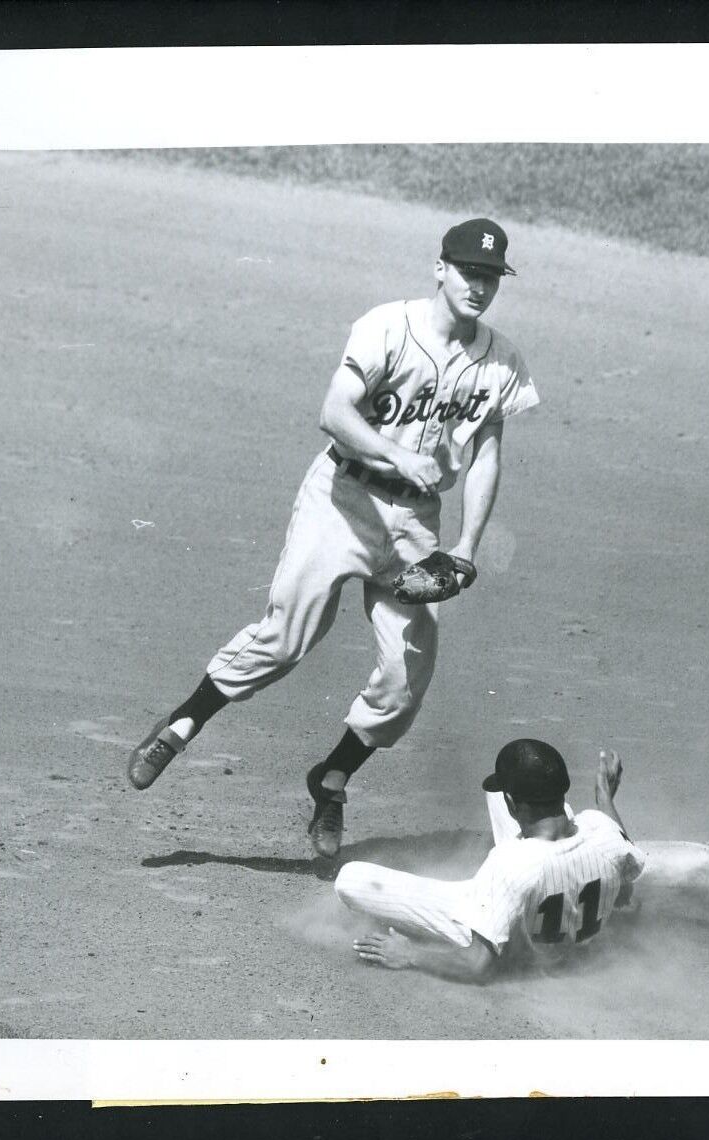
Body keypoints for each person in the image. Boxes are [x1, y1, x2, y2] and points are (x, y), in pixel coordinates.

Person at [128, 219, 539, 857]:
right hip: (342, 501)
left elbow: (487, 456)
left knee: (407, 678)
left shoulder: (502, 361)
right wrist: (396, 456)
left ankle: (333, 776)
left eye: (491, 276)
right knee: (287, 637)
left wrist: (465, 548)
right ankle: (183, 724)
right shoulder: (386, 327)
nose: (479, 286)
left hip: (415, 524)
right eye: (468, 272)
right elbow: (335, 412)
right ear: (440, 268)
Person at [340, 739, 646, 982]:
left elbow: (476, 966)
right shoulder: (605, 831)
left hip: (515, 947)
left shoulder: (508, 863)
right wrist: (605, 796)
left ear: (513, 805)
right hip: (569, 929)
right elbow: (625, 878)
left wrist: (410, 954)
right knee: (510, 798)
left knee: (350, 879)